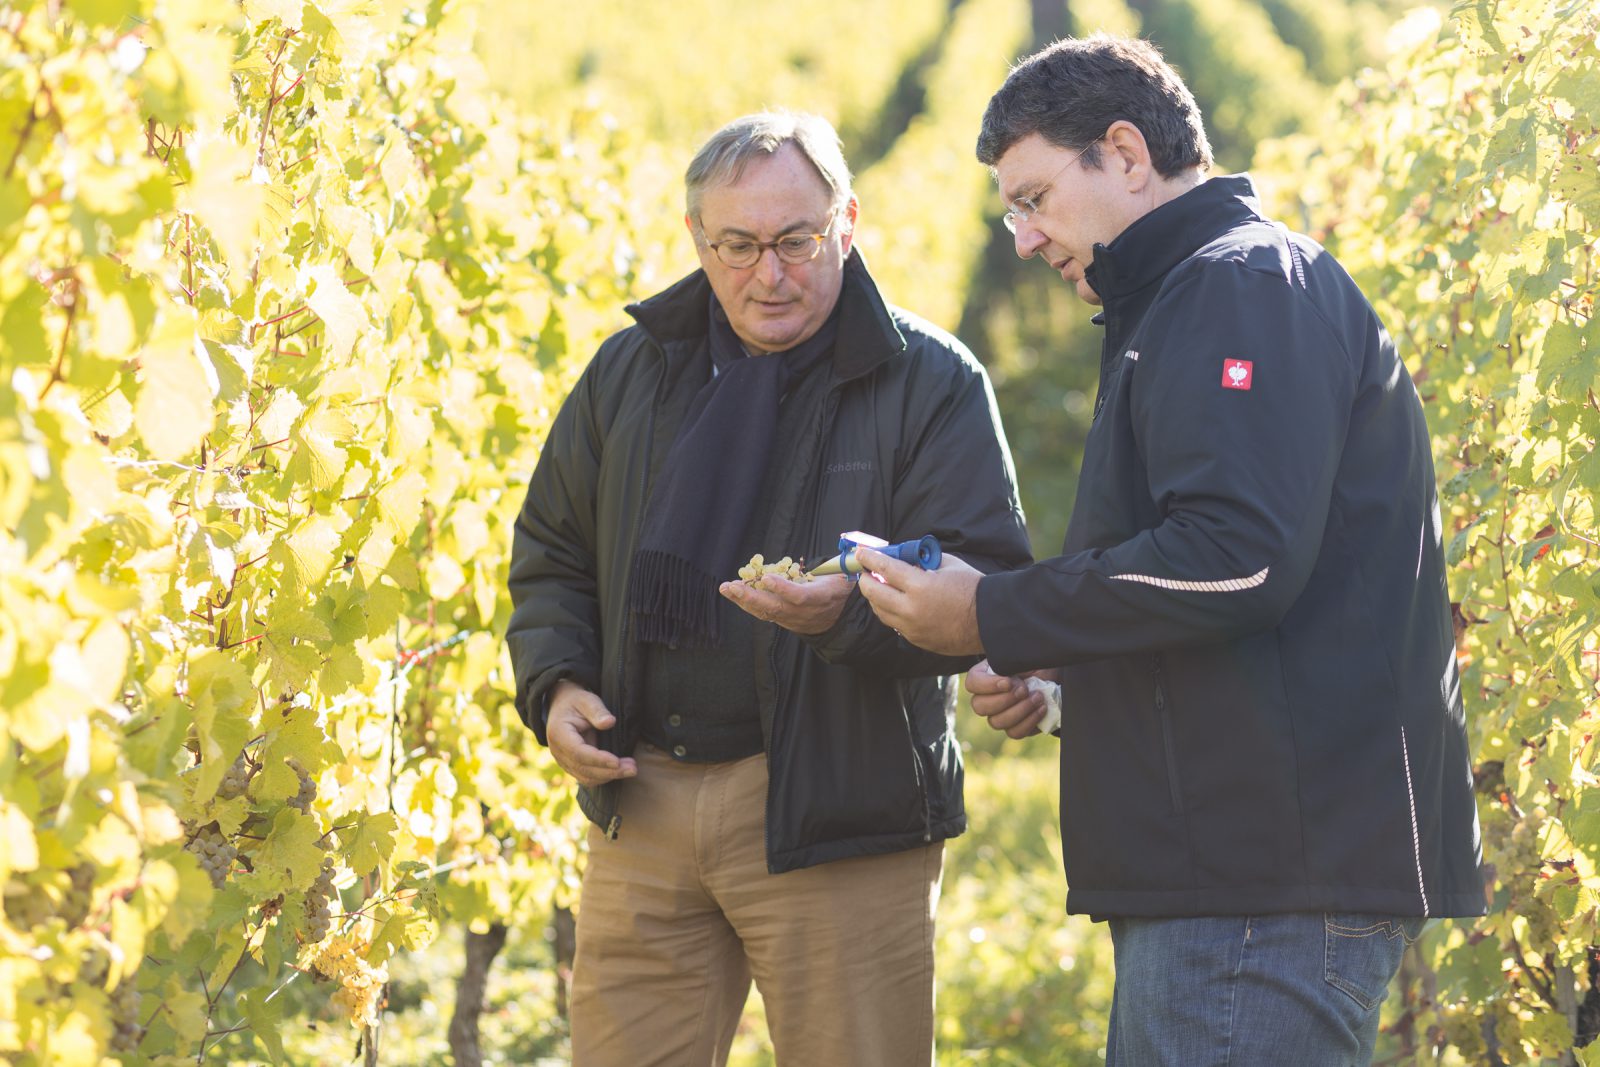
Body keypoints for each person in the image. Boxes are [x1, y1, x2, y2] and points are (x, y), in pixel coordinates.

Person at [852, 35, 1485, 1066]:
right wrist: (1068, 683)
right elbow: (1248, 603)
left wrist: (992, 613)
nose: (1021, 238)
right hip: (1242, 874)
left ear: (1125, 152)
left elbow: (1234, 557)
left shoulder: (1232, 287)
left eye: (1035, 197)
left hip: (1264, 885)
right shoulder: (1189, 297)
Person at [505, 110, 1031, 1067]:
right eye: (737, 246)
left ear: (849, 221)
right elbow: (554, 549)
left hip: (839, 810)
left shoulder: (930, 383)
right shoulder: (632, 371)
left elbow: (984, 588)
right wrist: (559, 682)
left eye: (797, 240)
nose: (769, 274)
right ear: (700, 242)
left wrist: (847, 619)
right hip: (645, 799)